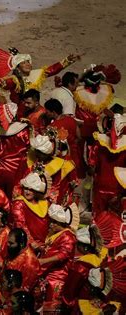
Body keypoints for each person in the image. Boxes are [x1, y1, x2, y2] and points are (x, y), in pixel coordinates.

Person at [0, 48, 81, 105]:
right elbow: (4, 84)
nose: (27, 64)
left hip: (35, 111)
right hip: (21, 113)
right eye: (23, 63)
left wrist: (67, 61)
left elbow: (52, 70)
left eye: (28, 62)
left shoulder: (36, 74)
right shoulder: (14, 80)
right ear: (18, 67)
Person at [88, 112, 126, 249]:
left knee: (99, 219)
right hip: (117, 188)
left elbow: (91, 166)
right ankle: (112, 247)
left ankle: (97, 247)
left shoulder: (99, 141)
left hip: (102, 187)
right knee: (115, 221)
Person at [0, 98, 31, 198]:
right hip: (17, 170)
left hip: (0, 169)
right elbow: (29, 146)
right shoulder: (24, 131)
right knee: (14, 197)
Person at [38, 203, 79, 310]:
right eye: (51, 221)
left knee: (52, 305)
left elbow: (63, 255)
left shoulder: (68, 236)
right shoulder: (56, 233)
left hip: (58, 277)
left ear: (60, 223)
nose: (51, 224)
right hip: (48, 272)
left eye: (54, 222)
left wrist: (43, 261)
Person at [62, 225, 108, 313]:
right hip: (101, 308)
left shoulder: (81, 266)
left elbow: (68, 295)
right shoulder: (104, 260)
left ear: (84, 247)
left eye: (77, 244)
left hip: (83, 308)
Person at [10, 172, 50, 250]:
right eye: (26, 188)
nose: (27, 192)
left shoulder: (45, 203)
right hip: (26, 244)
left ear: (36, 191)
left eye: (31, 189)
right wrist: (31, 242)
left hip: (44, 243)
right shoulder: (19, 203)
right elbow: (21, 225)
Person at [44, 98, 82, 177]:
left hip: (62, 159)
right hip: (74, 155)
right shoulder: (71, 120)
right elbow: (79, 137)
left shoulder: (52, 127)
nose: (46, 113)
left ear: (53, 112)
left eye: (47, 111)